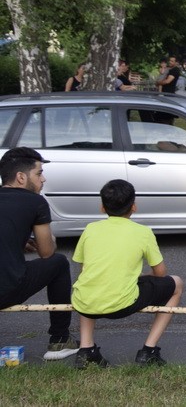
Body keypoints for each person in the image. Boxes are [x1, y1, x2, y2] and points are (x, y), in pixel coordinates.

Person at [71, 179, 184, 368]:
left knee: (89, 283)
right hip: (122, 305)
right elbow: (161, 272)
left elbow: (85, 269)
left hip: (84, 303)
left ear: (102, 207)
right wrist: (138, 276)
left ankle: (86, 349)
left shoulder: (90, 229)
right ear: (134, 206)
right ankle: (149, 350)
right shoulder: (143, 232)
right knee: (177, 284)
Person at [0, 147, 78, 361]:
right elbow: (46, 252)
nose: (43, 179)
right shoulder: (35, 202)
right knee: (59, 262)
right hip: (5, 290)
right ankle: (60, 340)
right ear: (21, 177)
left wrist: (18, 241)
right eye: (39, 173)